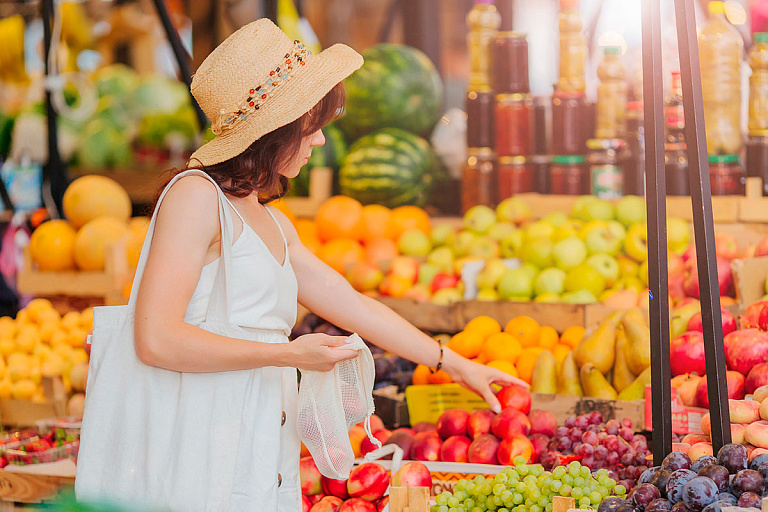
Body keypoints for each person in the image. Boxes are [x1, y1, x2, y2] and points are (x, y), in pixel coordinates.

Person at [121, 19, 525, 511]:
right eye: (311, 127)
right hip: (197, 446)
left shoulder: (268, 220)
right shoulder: (194, 197)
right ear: (276, 129)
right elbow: (155, 339)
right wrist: (287, 354)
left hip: (257, 443)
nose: (319, 142)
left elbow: (354, 306)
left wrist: (455, 365)